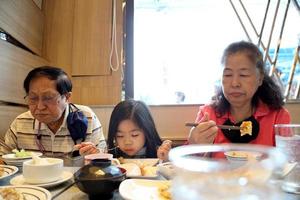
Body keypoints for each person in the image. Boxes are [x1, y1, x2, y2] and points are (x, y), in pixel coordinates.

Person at [188, 41, 290, 146]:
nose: (235, 83)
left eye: (243, 75)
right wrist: (194, 145)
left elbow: (288, 159)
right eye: (228, 75)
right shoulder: (208, 114)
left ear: (259, 79)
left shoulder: (277, 116)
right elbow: (187, 159)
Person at [0, 66, 106, 157]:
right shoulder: (20, 123)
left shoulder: (87, 118)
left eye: (48, 98)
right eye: (33, 98)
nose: (40, 107)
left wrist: (95, 154)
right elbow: (4, 156)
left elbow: (103, 155)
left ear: (67, 97)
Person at [107, 100, 172, 161]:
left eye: (134, 135)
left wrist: (165, 160)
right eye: (120, 136)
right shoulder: (112, 156)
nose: (127, 142)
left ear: (147, 131)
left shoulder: (159, 153)